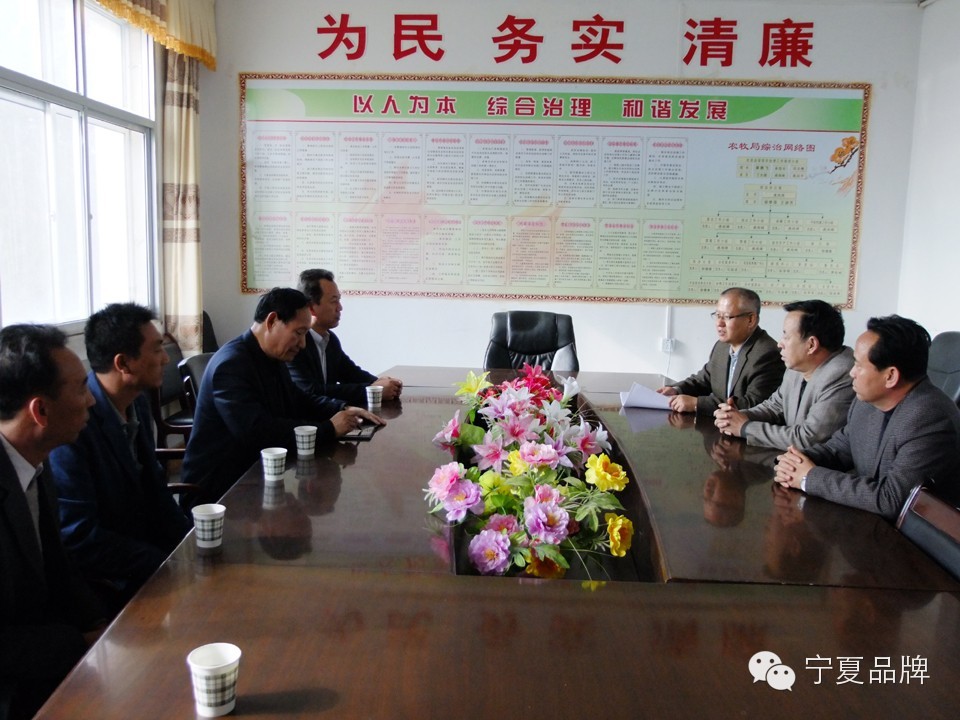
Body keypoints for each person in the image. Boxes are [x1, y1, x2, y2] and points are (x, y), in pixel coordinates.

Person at [47, 304, 192, 615]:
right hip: (108, 581)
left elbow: (155, 487)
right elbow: (80, 537)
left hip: (142, 553)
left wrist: (189, 543)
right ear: (123, 363)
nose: (166, 359)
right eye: (157, 349)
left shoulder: (136, 402)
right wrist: (163, 563)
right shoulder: (73, 426)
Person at [181, 288, 384, 509]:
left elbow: (298, 400)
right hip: (221, 491)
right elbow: (258, 432)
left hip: (258, 474)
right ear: (272, 321)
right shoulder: (231, 365)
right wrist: (328, 429)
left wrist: (342, 408)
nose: (303, 344)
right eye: (299, 333)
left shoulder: (270, 356)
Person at [0, 325, 105, 720]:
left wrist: (103, 624)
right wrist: (79, 643)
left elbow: (58, 566)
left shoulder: (33, 459)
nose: (91, 400)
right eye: (81, 389)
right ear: (40, 411)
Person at [775, 315, 960, 519]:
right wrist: (795, 462)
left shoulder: (930, 419)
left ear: (890, 376)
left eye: (859, 365)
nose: (852, 373)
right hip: (869, 520)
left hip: (911, 535)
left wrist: (808, 478)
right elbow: (840, 448)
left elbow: (893, 500)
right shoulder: (867, 402)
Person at [714, 299, 855, 450]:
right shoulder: (797, 367)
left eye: (786, 337)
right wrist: (736, 416)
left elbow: (809, 439)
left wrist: (745, 428)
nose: (780, 344)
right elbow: (775, 407)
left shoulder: (841, 374)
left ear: (811, 345)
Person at [657, 287, 784, 415]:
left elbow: (753, 404)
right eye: (718, 315)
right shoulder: (722, 346)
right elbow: (704, 380)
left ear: (751, 319)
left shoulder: (767, 354)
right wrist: (676, 390)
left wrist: (697, 404)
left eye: (727, 317)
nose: (719, 323)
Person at [289, 268, 402, 406]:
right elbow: (311, 390)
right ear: (311, 307)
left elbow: (350, 373)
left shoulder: (330, 339)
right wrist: (373, 390)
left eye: (339, 300)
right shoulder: (296, 343)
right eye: (333, 301)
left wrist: (383, 383)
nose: (340, 307)